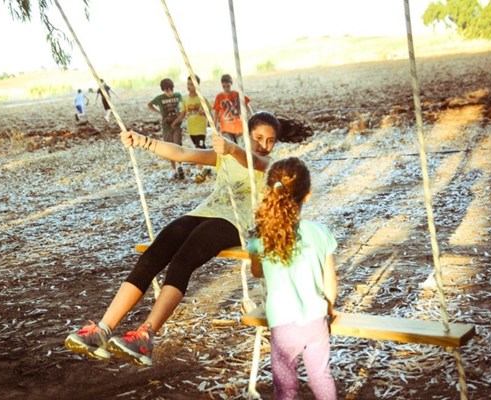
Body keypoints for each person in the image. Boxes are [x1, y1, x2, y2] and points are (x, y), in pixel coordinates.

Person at [64, 111, 312, 366]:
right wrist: (142, 141)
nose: (263, 144)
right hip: (204, 212)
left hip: (235, 223)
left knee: (182, 262)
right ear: (246, 134)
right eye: (257, 137)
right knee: (153, 254)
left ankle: (145, 336)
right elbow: (182, 153)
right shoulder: (224, 156)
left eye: (269, 140)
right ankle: (103, 329)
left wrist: (232, 148)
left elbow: (254, 162)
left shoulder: (273, 165)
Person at [247, 157, 338, 400]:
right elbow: (330, 281)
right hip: (316, 321)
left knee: (286, 387)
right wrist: (329, 306)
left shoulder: (262, 236)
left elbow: (257, 271)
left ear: (271, 192)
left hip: (283, 325)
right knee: (321, 377)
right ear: (307, 195)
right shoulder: (320, 232)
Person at [172, 74, 213, 183]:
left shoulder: (201, 98)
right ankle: (207, 167)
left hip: (201, 128)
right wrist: (176, 121)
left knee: (199, 148)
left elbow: (209, 111)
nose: (189, 86)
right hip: (191, 129)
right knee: (200, 147)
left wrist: (206, 115)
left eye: (192, 84)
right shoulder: (185, 98)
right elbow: (183, 113)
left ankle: (199, 172)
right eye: (188, 84)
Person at [148, 78, 184, 180]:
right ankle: (174, 170)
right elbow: (149, 104)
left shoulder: (178, 96)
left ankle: (180, 166)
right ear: (163, 90)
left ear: (173, 88)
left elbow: (183, 106)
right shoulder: (160, 98)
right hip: (166, 127)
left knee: (178, 145)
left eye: (170, 90)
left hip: (177, 125)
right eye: (166, 90)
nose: (169, 92)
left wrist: (178, 118)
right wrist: (158, 112)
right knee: (169, 148)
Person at [213, 73, 252, 144]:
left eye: (228, 86)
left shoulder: (237, 94)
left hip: (238, 127)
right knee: (229, 144)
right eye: (224, 86)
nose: (226, 88)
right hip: (226, 128)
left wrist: (252, 116)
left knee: (242, 144)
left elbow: (246, 104)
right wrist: (214, 126)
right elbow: (216, 112)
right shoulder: (219, 97)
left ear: (231, 84)